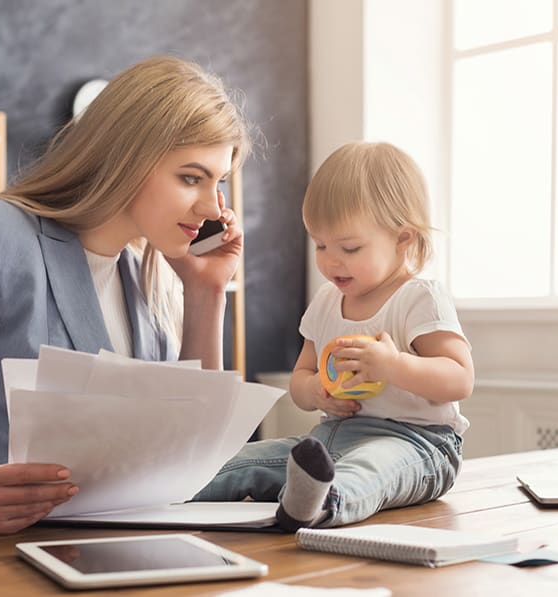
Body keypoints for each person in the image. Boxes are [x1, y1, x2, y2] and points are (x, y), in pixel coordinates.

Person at [0, 55, 250, 534]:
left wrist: (206, 294)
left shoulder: (152, 272)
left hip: (109, 552)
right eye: (191, 178)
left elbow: (189, 452)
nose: (211, 207)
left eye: (218, 182)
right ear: (125, 158)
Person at [194, 141, 474, 530]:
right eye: (320, 244)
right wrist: (316, 393)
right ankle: (170, 488)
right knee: (245, 461)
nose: (330, 260)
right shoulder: (328, 300)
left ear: (403, 238)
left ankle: (322, 502)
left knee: (372, 468)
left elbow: (460, 379)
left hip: (419, 444)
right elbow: (301, 378)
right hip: (332, 438)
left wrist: (393, 365)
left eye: (350, 247)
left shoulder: (418, 298)